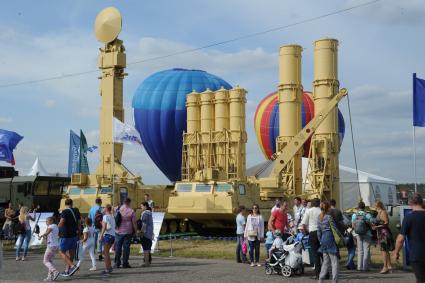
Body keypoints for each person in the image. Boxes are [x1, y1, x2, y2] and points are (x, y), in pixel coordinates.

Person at [394, 193, 425, 283]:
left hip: (417, 256)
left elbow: (400, 239)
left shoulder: (408, 218)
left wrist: (396, 252)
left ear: (410, 202)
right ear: (421, 202)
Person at [318, 201, 340, 283]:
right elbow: (335, 229)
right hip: (330, 238)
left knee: (325, 262)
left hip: (323, 239)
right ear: (328, 208)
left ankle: (320, 279)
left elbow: (318, 231)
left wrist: (320, 240)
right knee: (334, 262)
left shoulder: (319, 217)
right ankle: (335, 281)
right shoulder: (329, 217)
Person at [58, 198, 80, 277]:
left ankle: (72, 266)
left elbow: (62, 222)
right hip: (74, 234)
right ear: (72, 203)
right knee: (71, 253)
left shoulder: (65, 212)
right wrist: (79, 232)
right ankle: (68, 270)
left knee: (61, 251)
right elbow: (79, 222)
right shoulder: (76, 211)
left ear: (65, 204)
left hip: (66, 235)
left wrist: (57, 229)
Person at [301, 198, 321, 279]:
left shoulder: (309, 211)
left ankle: (317, 274)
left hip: (312, 232)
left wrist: (306, 231)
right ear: (319, 203)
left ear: (312, 203)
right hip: (321, 233)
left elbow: (303, 224)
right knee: (323, 254)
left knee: (315, 254)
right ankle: (325, 272)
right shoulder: (321, 211)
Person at [114, 198, 137, 269]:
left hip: (118, 231)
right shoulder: (131, 211)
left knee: (118, 247)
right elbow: (134, 223)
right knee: (126, 248)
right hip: (128, 231)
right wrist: (136, 231)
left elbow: (115, 218)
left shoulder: (119, 209)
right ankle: (125, 263)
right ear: (129, 202)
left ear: (124, 202)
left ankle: (117, 263)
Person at [373, 200, 394, 274]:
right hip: (380, 233)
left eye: (375, 204)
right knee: (385, 250)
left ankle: (385, 267)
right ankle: (389, 266)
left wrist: (377, 227)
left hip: (384, 233)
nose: (374, 206)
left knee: (384, 250)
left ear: (377, 205)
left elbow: (386, 222)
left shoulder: (383, 212)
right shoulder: (378, 213)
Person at [351, 201, 373, 271]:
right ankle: (365, 267)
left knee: (360, 250)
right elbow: (371, 223)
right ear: (364, 207)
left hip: (358, 233)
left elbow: (353, 225)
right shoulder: (368, 215)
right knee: (366, 250)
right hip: (367, 233)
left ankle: (359, 267)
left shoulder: (354, 215)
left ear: (358, 207)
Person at [39, 216, 60, 281]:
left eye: (47, 221)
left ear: (51, 221)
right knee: (50, 261)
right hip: (55, 245)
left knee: (45, 261)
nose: (46, 222)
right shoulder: (56, 226)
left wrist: (41, 235)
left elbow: (47, 232)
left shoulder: (51, 226)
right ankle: (50, 277)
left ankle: (55, 271)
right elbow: (51, 235)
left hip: (51, 246)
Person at [100, 204, 115, 276]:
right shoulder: (112, 216)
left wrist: (101, 235)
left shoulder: (105, 216)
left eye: (104, 207)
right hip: (112, 236)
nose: (103, 208)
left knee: (105, 253)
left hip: (107, 236)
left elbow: (104, 226)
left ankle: (107, 269)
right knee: (106, 252)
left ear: (106, 209)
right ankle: (109, 267)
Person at [139, 201, 154, 267]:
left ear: (145, 206)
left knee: (145, 249)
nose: (141, 208)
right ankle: (146, 261)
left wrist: (141, 232)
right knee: (147, 248)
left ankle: (146, 262)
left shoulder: (145, 213)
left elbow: (144, 224)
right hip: (149, 233)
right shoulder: (150, 213)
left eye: (142, 206)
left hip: (145, 233)